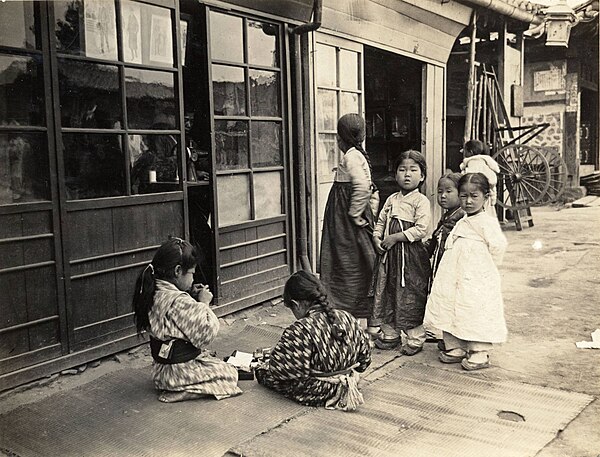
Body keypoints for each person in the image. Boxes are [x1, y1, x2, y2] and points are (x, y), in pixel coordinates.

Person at [132, 237, 242, 402]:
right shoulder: (179, 301)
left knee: (216, 364)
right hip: (178, 373)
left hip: (161, 371)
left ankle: (180, 386)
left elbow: (176, 317)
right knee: (230, 374)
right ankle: (185, 391)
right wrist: (204, 303)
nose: (193, 278)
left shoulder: (154, 289)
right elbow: (205, 334)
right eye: (191, 273)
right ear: (177, 271)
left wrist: (190, 295)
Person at [424, 173, 508, 370]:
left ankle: (478, 350)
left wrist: (485, 270)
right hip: (453, 274)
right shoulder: (462, 220)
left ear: (486, 197)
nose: (468, 201)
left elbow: (498, 247)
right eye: (463, 196)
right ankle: (456, 346)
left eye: (474, 196)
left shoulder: (486, 222)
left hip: (476, 275)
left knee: (473, 308)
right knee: (449, 304)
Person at [255, 271, 372, 411]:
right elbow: (364, 362)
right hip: (351, 381)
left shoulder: (300, 329)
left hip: (319, 391)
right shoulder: (347, 317)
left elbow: (281, 372)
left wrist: (269, 363)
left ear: (296, 304)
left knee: (263, 373)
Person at [369, 150, 432, 355]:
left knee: (409, 293)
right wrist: (377, 238)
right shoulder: (391, 199)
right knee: (387, 291)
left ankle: (415, 338)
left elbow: (422, 228)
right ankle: (391, 334)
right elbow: (380, 222)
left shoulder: (420, 201)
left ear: (422, 176)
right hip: (389, 257)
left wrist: (396, 237)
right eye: (402, 169)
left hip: (410, 257)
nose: (407, 174)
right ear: (395, 174)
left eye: (413, 170)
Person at [319, 113, 377, 325]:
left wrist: (354, 213)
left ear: (340, 138)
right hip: (348, 216)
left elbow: (362, 186)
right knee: (356, 262)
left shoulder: (351, 157)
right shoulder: (359, 155)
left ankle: (349, 316)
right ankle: (357, 318)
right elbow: (371, 189)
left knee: (347, 262)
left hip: (346, 220)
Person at [460, 140, 500, 216]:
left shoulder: (471, 161)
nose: (464, 153)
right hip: (489, 181)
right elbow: (496, 168)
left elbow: (467, 174)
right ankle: (493, 201)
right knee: (489, 207)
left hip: (478, 186)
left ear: (470, 152)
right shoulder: (486, 159)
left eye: (465, 151)